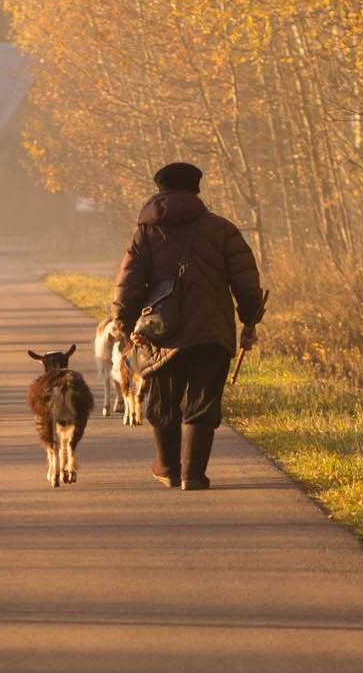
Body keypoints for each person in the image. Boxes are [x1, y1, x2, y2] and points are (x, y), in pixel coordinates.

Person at [111, 160, 265, 491]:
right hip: (212, 330)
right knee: (203, 402)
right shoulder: (222, 229)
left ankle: (167, 468)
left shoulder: (146, 233)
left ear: (160, 190)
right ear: (197, 189)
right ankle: (193, 474)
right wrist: (250, 319)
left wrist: (124, 324)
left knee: (163, 403)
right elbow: (246, 279)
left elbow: (129, 283)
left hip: (162, 333)